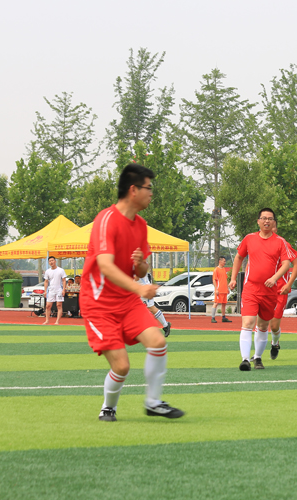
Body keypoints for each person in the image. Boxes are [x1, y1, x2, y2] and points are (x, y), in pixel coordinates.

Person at [81, 163, 183, 422]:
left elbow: (142, 268)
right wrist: (140, 288)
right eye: (149, 187)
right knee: (122, 366)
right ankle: (108, 407)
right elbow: (105, 266)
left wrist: (139, 265)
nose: (152, 193)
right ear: (133, 190)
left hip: (127, 301)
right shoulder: (106, 219)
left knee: (158, 342)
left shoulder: (141, 225)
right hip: (99, 304)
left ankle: (153, 402)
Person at [228, 208, 297, 371]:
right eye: (264, 218)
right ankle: (245, 359)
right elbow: (239, 257)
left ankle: (258, 357)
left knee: (263, 325)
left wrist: (275, 278)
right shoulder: (249, 238)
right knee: (248, 322)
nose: (267, 221)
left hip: (271, 291)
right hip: (251, 289)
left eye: (270, 219)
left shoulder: (280, 242)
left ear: (274, 222)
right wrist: (233, 278)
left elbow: (287, 264)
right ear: (258, 221)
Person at [269, 222, 297, 360]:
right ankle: (257, 355)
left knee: (274, 326)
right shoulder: (258, 243)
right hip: (263, 290)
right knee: (259, 323)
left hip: (280, 290)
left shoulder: (284, 244)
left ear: (275, 228)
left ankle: (275, 343)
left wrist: (288, 284)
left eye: (272, 226)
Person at [138, 273, 171, 337]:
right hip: (138, 290)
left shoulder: (137, 267)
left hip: (145, 290)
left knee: (151, 308)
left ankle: (166, 325)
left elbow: (136, 277)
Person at [42, 256, 66, 325]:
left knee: (59, 305)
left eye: (52, 260)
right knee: (48, 306)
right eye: (50, 261)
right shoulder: (48, 271)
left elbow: (64, 280)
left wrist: (63, 289)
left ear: (55, 261)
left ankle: (57, 321)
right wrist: (45, 291)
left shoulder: (61, 270)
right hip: (51, 290)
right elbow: (46, 281)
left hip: (59, 289)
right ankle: (47, 320)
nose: (51, 262)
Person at [211, 256, 232, 323]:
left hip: (224, 290)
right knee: (216, 303)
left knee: (224, 304)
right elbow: (214, 280)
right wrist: (216, 289)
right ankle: (213, 317)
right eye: (224, 261)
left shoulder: (224, 269)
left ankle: (223, 317)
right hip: (219, 290)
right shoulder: (216, 270)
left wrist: (227, 288)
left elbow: (225, 279)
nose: (225, 262)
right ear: (220, 261)